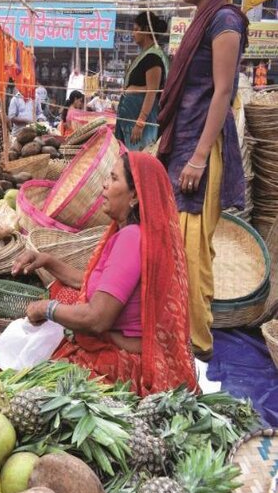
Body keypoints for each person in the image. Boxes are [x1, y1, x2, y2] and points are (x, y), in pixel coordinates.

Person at [12, 152, 197, 396]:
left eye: (113, 178)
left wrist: (45, 308)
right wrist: (47, 261)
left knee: (27, 389)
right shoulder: (137, 234)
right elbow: (95, 284)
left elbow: (97, 318)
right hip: (131, 350)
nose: (104, 185)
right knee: (65, 291)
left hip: (121, 368)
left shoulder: (131, 239)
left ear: (134, 195)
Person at [157, 0, 248, 361]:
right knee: (180, 245)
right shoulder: (203, 18)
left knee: (191, 251)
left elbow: (223, 91)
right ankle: (178, 334)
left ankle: (196, 346)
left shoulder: (225, 19)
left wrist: (196, 158)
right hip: (185, 143)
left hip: (201, 150)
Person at [115, 12, 169, 150]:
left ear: (145, 30)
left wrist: (140, 122)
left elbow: (153, 91)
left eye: (136, 29)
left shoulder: (154, 58)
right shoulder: (145, 55)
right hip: (130, 120)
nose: (133, 33)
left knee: (140, 159)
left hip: (142, 123)